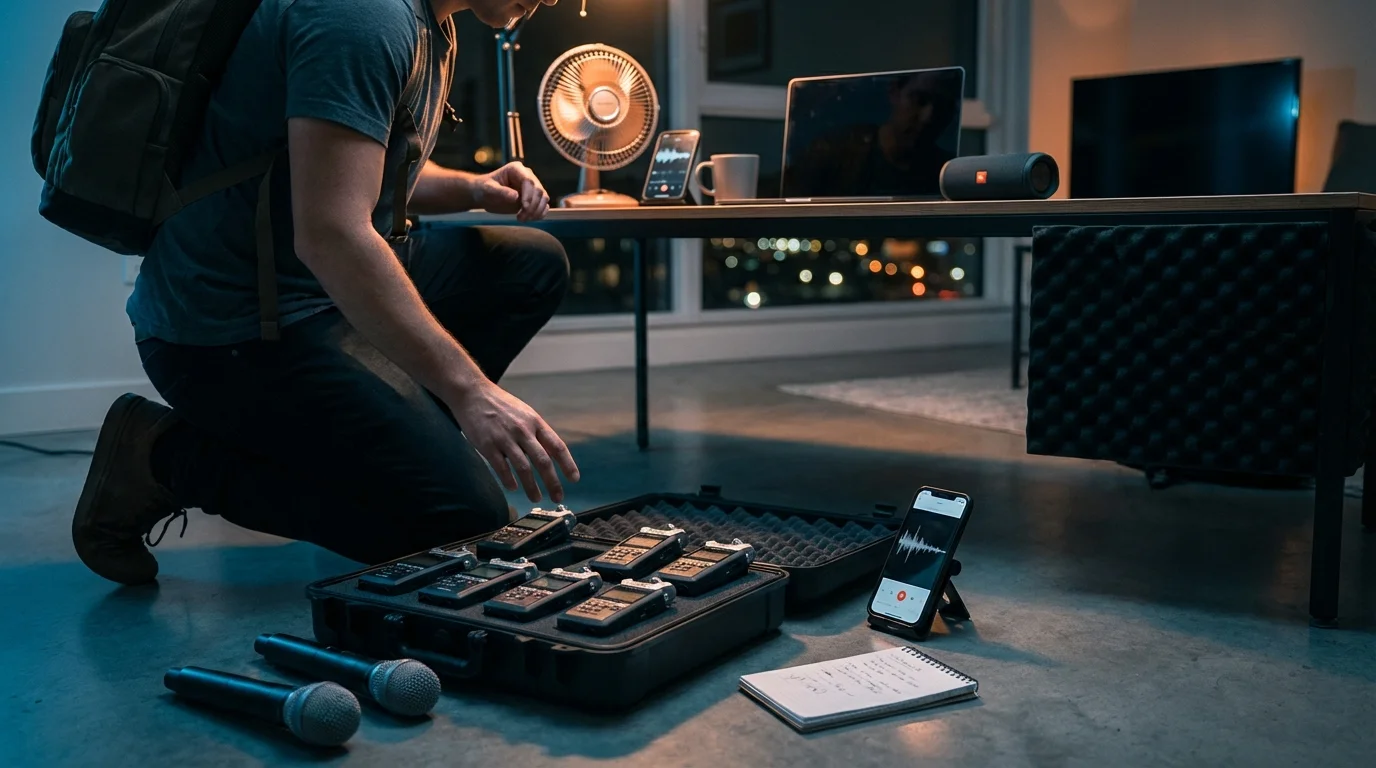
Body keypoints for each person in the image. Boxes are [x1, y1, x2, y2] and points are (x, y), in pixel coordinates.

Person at [72, 0, 579, 586]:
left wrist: (475, 187)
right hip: (229, 328)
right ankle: (163, 458)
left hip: (312, 288)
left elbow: (360, 173)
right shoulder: (365, 16)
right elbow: (333, 235)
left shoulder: (432, 27)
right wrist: (469, 391)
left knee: (527, 264)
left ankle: (399, 446)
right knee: (462, 523)